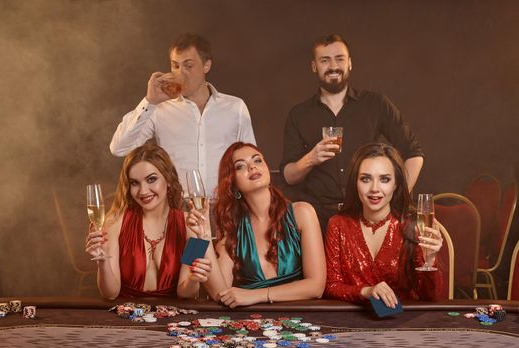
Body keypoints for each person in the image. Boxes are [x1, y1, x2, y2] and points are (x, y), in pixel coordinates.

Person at [281, 34, 424, 234]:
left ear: (350, 63)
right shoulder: (299, 114)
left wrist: (396, 197)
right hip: (318, 220)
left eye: (339, 58)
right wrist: (310, 159)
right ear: (314, 66)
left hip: (365, 215)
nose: (333, 66)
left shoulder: (376, 104)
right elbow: (289, 176)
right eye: (325, 60)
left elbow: (413, 153)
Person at [110, 33, 256, 200]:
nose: (181, 74)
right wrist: (149, 101)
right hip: (177, 210)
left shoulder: (235, 107)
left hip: (227, 209)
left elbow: (250, 161)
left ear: (206, 66)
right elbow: (119, 148)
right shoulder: (158, 108)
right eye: (175, 66)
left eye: (188, 66)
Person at [186, 142, 326, 308]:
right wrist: (205, 237)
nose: (252, 167)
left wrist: (255, 295)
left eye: (257, 160)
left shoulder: (303, 213)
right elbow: (217, 294)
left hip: (299, 319)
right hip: (251, 323)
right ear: (232, 183)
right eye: (240, 166)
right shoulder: (230, 229)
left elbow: (316, 287)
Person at [85, 143, 211, 299]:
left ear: (169, 179)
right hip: (126, 317)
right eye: (135, 183)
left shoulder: (191, 225)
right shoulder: (115, 222)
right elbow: (110, 294)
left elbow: (184, 293)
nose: (143, 191)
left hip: (172, 318)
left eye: (151, 179)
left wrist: (193, 280)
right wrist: (102, 261)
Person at [324, 143, 443, 307]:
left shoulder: (412, 226)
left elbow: (432, 297)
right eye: (365, 179)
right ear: (355, 183)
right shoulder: (337, 224)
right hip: (353, 323)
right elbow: (331, 286)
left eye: (384, 179)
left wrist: (429, 259)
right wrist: (367, 291)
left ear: (396, 184)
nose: (374, 188)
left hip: (403, 325)